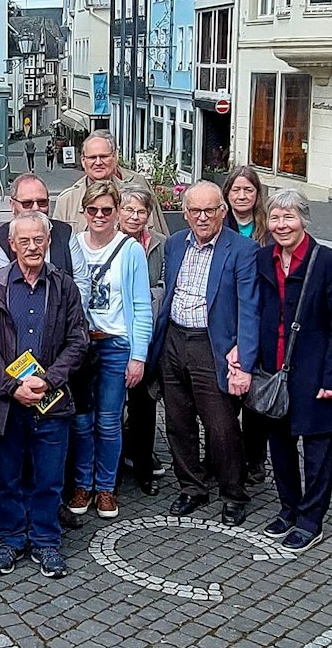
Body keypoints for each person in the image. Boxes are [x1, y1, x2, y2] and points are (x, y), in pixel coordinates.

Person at [0, 213, 91, 578]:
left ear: (48, 241)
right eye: (24, 241)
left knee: (49, 479)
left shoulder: (64, 286)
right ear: (12, 245)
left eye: (38, 239)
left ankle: (46, 541)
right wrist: (12, 386)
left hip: (52, 400)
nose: (32, 247)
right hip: (8, 403)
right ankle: (10, 539)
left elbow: (78, 340)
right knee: (7, 478)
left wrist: (48, 380)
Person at [148, 182, 261, 524]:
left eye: (209, 210)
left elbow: (250, 308)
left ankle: (233, 494)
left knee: (221, 426)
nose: (202, 217)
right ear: (184, 214)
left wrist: (244, 358)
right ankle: (191, 487)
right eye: (195, 211)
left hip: (212, 345)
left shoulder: (242, 249)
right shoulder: (175, 244)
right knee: (177, 422)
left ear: (222, 212)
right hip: (174, 339)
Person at [253, 191, 332, 552]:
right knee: (280, 447)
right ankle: (288, 508)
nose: (281, 225)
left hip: (315, 369)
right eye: (275, 218)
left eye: (289, 217)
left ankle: (311, 520)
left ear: (303, 220)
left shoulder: (327, 261)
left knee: (317, 452)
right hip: (275, 370)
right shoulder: (263, 258)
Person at [65, 180, 152, 521]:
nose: (99, 216)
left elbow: (141, 305)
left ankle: (105, 487)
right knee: (81, 420)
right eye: (93, 210)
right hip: (81, 344)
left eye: (106, 210)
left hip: (115, 342)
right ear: (84, 212)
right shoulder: (73, 245)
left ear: (117, 212)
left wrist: (138, 355)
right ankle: (82, 484)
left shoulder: (130, 250)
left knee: (109, 420)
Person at [116, 185, 166, 495]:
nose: (135, 216)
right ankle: (113, 469)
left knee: (144, 403)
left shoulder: (160, 244)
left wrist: (141, 297)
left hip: (147, 333)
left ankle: (144, 467)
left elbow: (163, 285)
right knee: (111, 407)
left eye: (141, 211)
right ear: (118, 212)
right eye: (129, 210)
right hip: (114, 335)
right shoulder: (109, 241)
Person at [52, 130, 168, 236]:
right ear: (83, 161)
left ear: (114, 157)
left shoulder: (138, 189)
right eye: (92, 157)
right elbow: (57, 244)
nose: (98, 162)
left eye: (103, 156)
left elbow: (157, 238)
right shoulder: (67, 200)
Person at [0, 173, 77, 273]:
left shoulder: (66, 233)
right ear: (12, 205)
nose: (36, 208)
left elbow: (81, 279)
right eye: (27, 203)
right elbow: (1, 280)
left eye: (42, 202)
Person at [224, 167, 266, 240]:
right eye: (236, 190)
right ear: (227, 193)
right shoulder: (217, 224)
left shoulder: (269, 225)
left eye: (248, 190)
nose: (242, 196)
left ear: (257, 194)